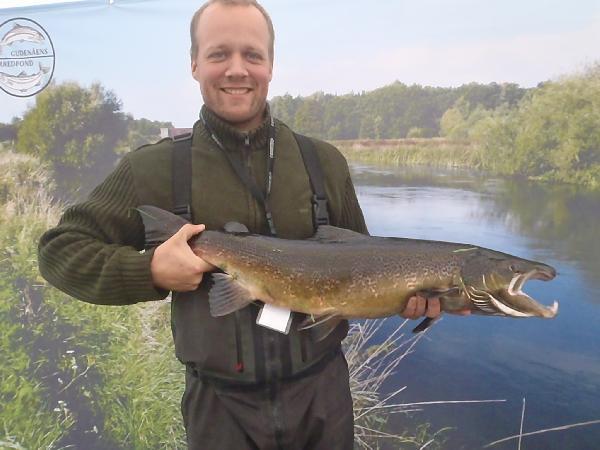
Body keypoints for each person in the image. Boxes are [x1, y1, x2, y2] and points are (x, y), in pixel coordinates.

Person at [38, 1, 444, 448]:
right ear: (194, 64)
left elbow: (365, 267)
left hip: (323, 399)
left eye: (252, 55)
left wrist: (406, 297)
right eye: (218, 54)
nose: (237, 69)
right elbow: (60, 250)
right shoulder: (150, 170)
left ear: (271, 65)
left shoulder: (323, 162)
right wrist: (149, 271)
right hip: (219, 410)